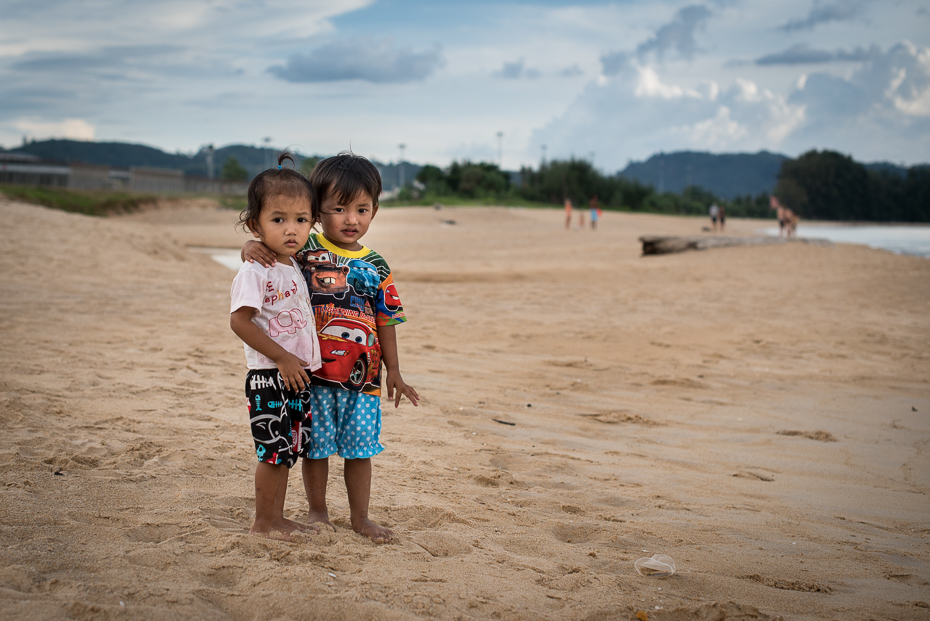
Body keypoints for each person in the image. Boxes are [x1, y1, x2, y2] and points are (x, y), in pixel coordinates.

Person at [243, 152, 419, 543]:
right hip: (312, 378)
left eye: (361, 208)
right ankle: (317, 512)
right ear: (317, 213)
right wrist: (247, 248)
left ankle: (361, 518)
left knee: (360, 451)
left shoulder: (377, 266)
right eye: (338, 209)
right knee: (316, 449)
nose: (351, 219)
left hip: (363, 381)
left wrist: (394, 371)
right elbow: (267, 250)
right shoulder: (304, 251)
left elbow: (386, 320)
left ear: (375, 209)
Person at [229, 152, 321, 540]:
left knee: (287, 451)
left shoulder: (293, 263)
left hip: (296, 377)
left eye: (301, 220)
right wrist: (281, 357)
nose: (291, 230)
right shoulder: (256, 269)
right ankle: (263, 522)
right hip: (271, 377)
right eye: (278, 219)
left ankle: (278, 517)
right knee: (272, 454)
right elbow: (239, 321)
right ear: (256, 224)